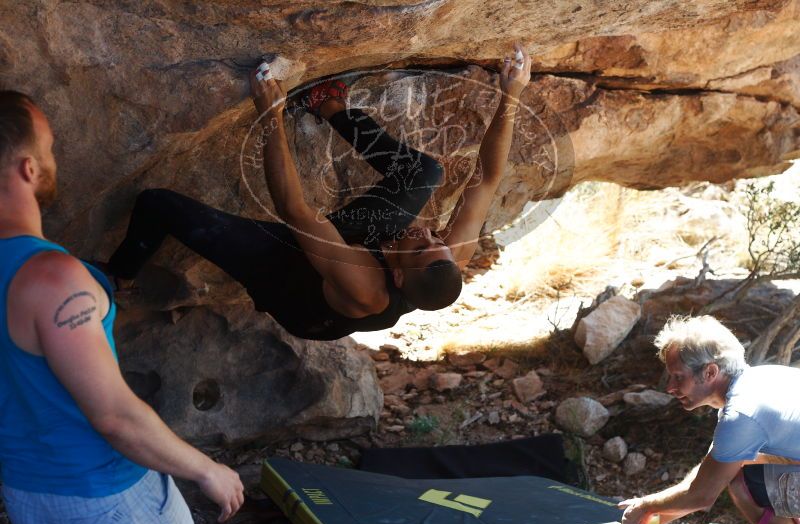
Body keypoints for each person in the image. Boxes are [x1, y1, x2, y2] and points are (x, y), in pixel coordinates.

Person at [105, 45, 533, 341]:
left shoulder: (366, 287)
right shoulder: (445, 257)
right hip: (365, 246)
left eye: (421, 244)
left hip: (288, 276)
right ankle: (327, 103)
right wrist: (511, 93)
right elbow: (488, 178)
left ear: (399, 276)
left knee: (156, 205)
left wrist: (270, 116)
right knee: (423, 172)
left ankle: (116, 278)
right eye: (437, 240)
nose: (428, 232)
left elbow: (295, 210)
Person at [0, 90, 244, 524]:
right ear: (29, 168)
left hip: (28, 491)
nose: (55, 158)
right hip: (104, 496)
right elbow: (113, 416)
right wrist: (208, 469)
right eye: (49, 147)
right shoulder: (53, 278)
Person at [619, 315, 800, 524]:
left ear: (710, 372)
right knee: (749, 463)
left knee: (744, 486)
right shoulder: (759, 380)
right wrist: (650, 514)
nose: (669, 387)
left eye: (678, 377)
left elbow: (703, 495)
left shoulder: (741, 414)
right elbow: (709, 473)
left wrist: (646, 505)